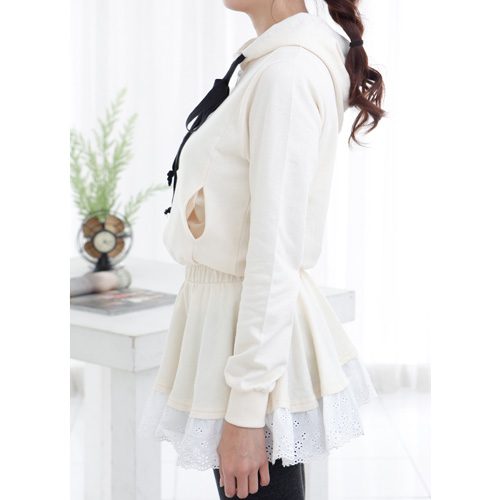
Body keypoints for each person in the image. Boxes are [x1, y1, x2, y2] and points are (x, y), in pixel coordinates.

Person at [138, 0, 387, 498]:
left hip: (248, 334)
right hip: (233, 327)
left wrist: (247, 411)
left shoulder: (287, 73)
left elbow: (275, 251)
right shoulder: (271, 63)